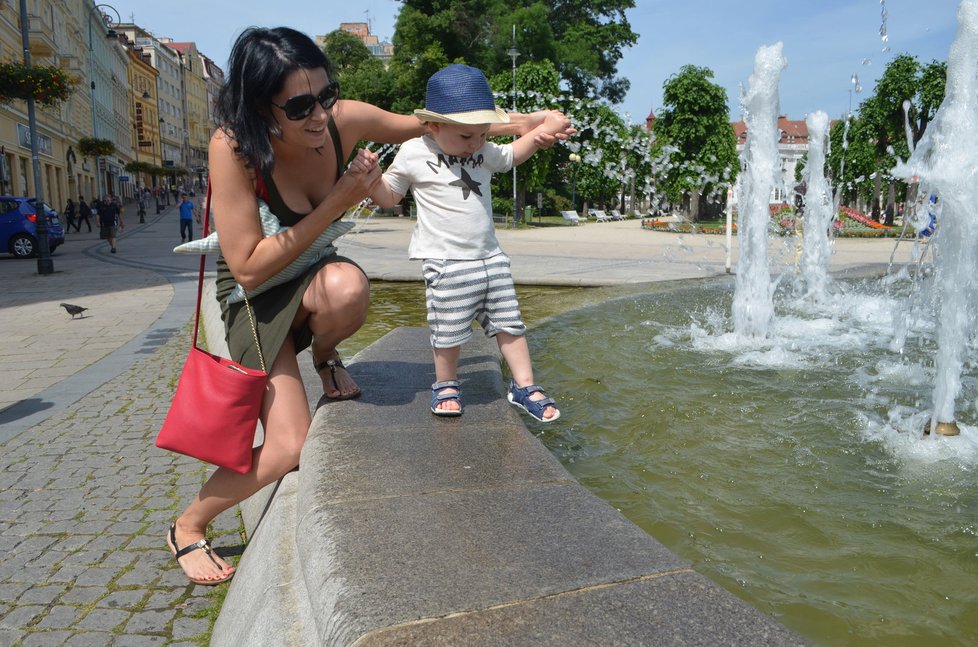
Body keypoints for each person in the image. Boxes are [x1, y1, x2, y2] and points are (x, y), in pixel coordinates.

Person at [164, 26, 573, 586]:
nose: (319, 115)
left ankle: (326, 355)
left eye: (326, 96)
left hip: (313, 280)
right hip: (256, 300)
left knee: (350, 288)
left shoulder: (343, 120)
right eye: (301, 105)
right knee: (289, 445)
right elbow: (250, 267)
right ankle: (188, 525)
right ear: (262, 107)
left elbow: (440, 123)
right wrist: (338, 200)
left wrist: (533, 123)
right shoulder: (233, 147)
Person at [369, 64, 561, 423]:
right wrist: (368, 179)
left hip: (491, 257)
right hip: (445, 261)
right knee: (448, 328)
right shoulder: (413, 152)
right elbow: (390, 196)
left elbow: (509, 157)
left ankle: (525, 386)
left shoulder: (483, 148)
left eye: (482, 134)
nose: (475, 143)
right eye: (466, 137)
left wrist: (536, 136)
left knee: (510, 323)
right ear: (433, 126)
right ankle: (445, 383)